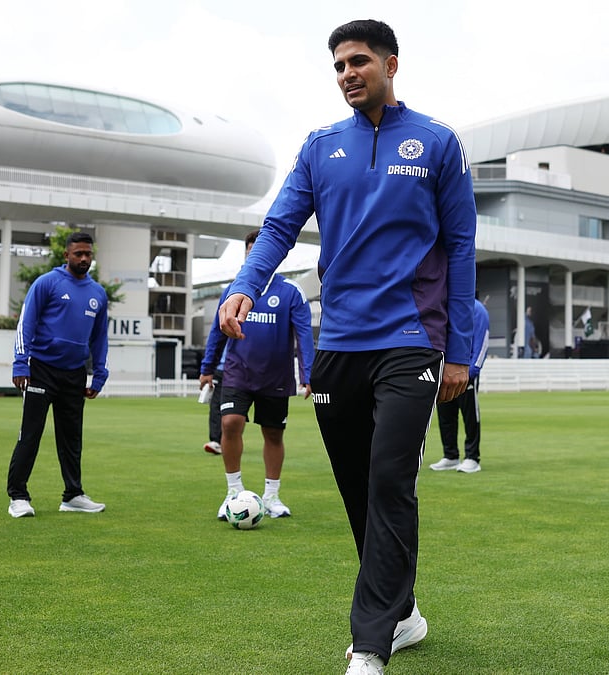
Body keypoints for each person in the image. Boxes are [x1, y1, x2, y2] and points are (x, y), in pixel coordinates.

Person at [217, 19, 475, 674]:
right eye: (338, 65)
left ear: (391, 64)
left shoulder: (438, 143)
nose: (347, 73)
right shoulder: (320, 145)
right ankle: (405, 610)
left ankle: (370, 643)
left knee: (391, 478)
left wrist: (461, 349)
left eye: (358, 61)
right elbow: (279, 225)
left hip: (412, 339)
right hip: (340, 342)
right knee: (362, 489)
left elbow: (464, 247)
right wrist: (246, 284)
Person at [199, 229, 314, 519]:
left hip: (275, 378)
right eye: (252, 251)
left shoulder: (291, 292)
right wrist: (207, 369)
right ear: (248, 255)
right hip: (238, 372)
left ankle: (272, 496)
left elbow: (304, 337)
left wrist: (308, 374)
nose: (258, 255)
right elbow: (217, 332)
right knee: (230, 423)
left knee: (273, 433)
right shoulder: (233, 291)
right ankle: (233, 492)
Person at [6, 231, 110, 518]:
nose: (84, 259)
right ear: (66, 255)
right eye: (78, 254)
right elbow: (25, 323)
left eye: (88, 254)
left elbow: (100, 338)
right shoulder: (47, 283)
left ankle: (73, 495)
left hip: (74, 374)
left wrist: (99, 374)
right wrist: (20, 363)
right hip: (41, 369)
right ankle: (18, 496)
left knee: (71, 437)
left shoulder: (98, 294)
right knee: (31, 434)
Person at [430, 298, 490, 473]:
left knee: (470, 415)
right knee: (445, 415)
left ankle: (472, 457)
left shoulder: (477, 310)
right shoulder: (445, 305)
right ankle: (450, 455)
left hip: (466, 372)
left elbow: (482, 341)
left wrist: (472, 371)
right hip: (444, 372)